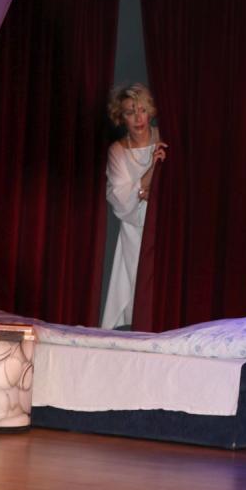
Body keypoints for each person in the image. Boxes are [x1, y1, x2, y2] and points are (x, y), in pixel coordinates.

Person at [101, 84, 167, 329]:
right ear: (122, 116)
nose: (138, 118)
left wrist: (142, 191)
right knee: (139, 289)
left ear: (150, 111)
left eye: (142, 110)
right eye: (130, 112)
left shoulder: (164, 138)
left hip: (163, 226)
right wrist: (149, 174)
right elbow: (120, 198)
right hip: (134, 232)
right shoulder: (118, 151)